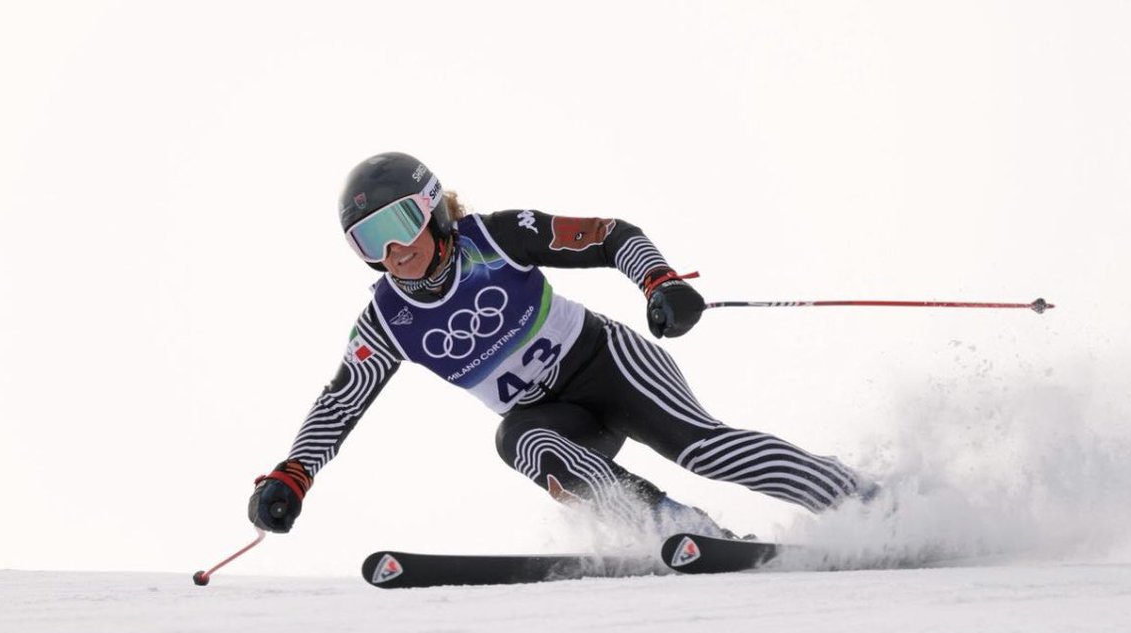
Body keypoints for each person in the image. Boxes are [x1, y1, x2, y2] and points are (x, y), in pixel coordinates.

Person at [248, 152, 872, 541]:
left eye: (401, 224)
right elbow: (340, 403)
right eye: (369, 242)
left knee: (703, 450)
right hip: (557, 420)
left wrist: (660, 281)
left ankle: (865, 501)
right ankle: (683, 531)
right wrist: (293, 476)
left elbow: (607, 236)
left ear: (434, 210)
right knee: (518, 442)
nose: (394, 253)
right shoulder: (386, 319)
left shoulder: (493, 238)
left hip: (609, 366)